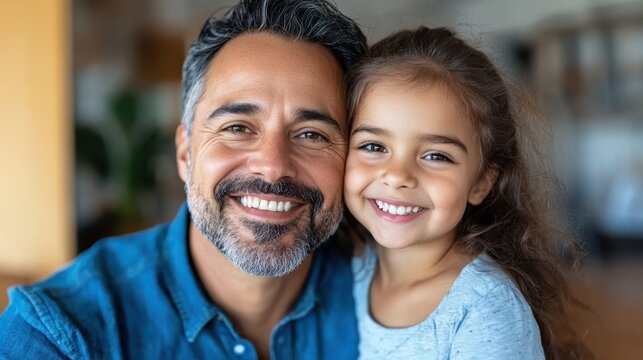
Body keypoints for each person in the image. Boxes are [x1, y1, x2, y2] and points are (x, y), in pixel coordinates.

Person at [0, 1, 367, 359]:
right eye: (237, 127)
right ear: (184, 153)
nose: (273, 167)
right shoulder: (60, 336)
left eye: (312, 135)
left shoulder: (393, 298)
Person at [343, 27, 592, 359]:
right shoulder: (349, 271)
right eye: (373, 146)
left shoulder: (485, 311)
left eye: (436, 156)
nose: (398, 176)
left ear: (481, 182)